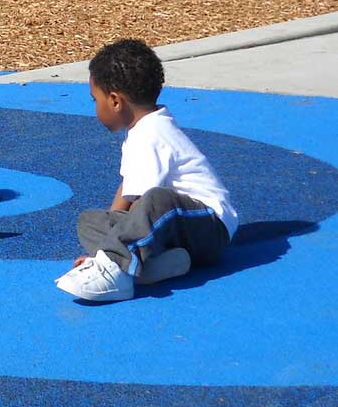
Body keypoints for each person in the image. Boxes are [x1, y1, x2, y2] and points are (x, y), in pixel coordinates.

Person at [55, 38, 237, 303]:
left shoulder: (151, 133)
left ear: (115, 101)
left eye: (95, 100)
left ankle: (116, 272)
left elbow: (142, 201)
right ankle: (152, 267)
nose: (95, 107)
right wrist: (109, 238)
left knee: (156, 199)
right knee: (90, 220)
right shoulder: (141, 129)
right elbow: (126, 192)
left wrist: (106, 251)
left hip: (209, 227)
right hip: (178, 235)